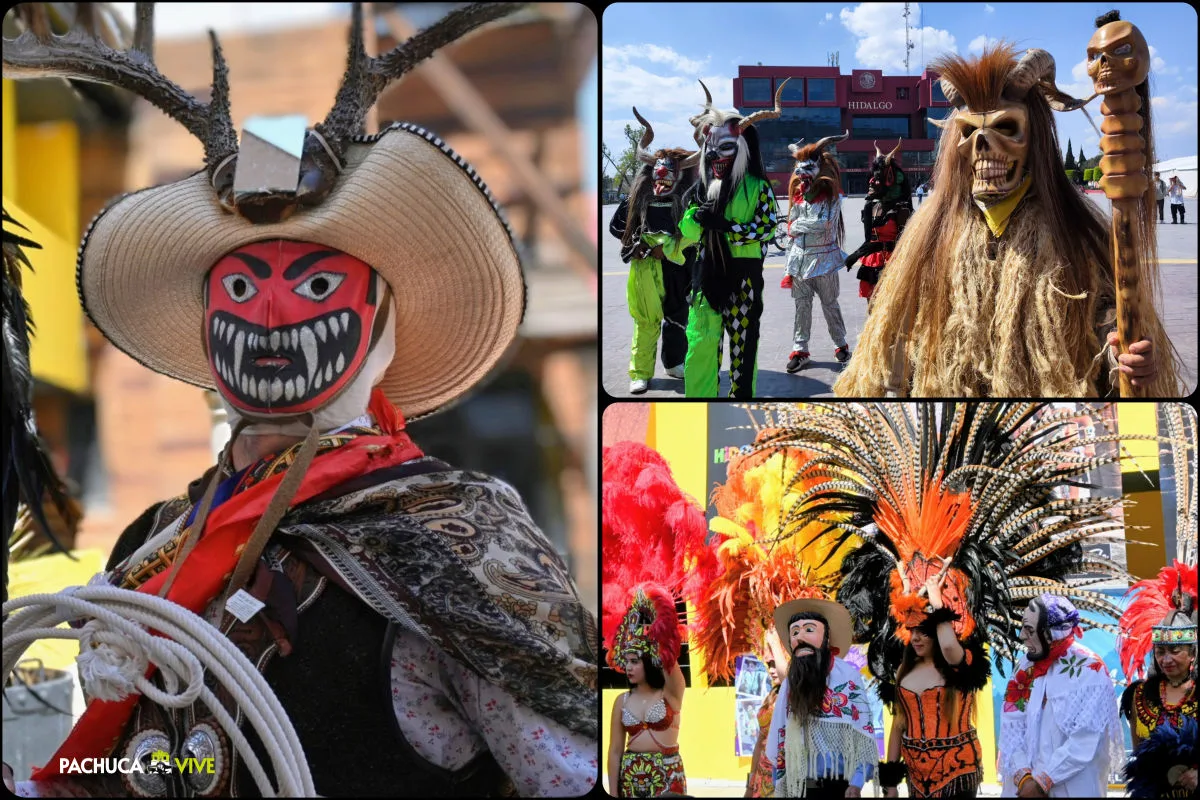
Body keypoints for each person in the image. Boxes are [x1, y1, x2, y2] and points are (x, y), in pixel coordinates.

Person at [2, 5, 597, 797]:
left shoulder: (457, 538)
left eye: (318, 286)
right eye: (241, 289)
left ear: (384, 327)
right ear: (207, 325)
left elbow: (576, 775)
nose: (273, 317)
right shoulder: (153, 547)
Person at [834, 42, 1181, 396]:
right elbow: (895, 337)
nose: (984, 146)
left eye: (1006, 126)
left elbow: (1105, 313)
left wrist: (1122, 351)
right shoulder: (929, 235)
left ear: (1035, 139)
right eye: (970, 132)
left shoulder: (1071, 233)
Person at [679, 80, 782, 398]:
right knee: (699, 347)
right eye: (710, 148)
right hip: (705, 276)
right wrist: (696, 220)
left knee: (743, 350)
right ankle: (698, 402)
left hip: (744, 281)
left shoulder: (757, 187)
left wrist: (726, 227)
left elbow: (767, 228)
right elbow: (687, 231)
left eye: (725, 147)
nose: (714, 155)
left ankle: (741, 398)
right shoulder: (700, 189)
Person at [997, 595, 1124, 798]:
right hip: (1025, 787)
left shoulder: (1090, 668)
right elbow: (1011, 725)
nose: (1021, 636)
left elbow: (1085, 739)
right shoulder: (1024, 667)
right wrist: (1024, 777)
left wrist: (1043, 781)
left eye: (1029, 629)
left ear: (1050, 634)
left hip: (1072, 787)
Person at [610, 108, 700, 394]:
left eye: (669, 175)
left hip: (678, 267)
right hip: (645, 268)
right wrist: (636, 247)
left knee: (678, 317)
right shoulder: (637, 198)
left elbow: (696, 231)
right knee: (646, 320)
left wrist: (670, 248)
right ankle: (640, 372)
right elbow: (618, 228)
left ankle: (674, 363)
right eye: (658, 175)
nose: (662, 181)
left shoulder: (690, 196)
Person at [880, 576, 985, 798]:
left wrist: (937, 601)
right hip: (916, 776)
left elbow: (948, 644)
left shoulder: (960, 660)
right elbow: (898, 726)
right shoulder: (904, 669)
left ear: (938, 629)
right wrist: (890, 783)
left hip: (958, 771)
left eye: (923, 631)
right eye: (912, 631)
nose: (916, 638)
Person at [764, 599, 878, 798]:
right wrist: (779, 782)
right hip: (797, 786)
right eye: (795, 632)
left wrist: (857, 781)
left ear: (826, 638)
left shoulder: (848, 676)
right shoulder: (791, 682)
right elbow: (780, 735)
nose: (800, 638)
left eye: (809, 629)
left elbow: (863, 731)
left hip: (838, 786)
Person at [1117, 560, 1198, 798]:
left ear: (1192, 653)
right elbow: (1140, 754)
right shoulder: (1140, 696)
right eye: (1161, 652)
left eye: (1175, 650)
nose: (1167, 659)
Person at [780, 132, 852, 372]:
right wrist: (790, 261)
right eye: (799, 169)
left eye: (808, 168)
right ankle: (800, 349)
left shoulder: (832, 199)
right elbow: (791, 227)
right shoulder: (798, 199)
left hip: (825, 261)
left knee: (830, 304)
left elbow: (823, 225)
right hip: (800, 262)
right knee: (801, 306)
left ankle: (841, 345)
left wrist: (797, 227)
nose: (801, 174)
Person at [607, 587, 688, 798]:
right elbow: (615, 750)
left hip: (668, 778)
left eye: (635, 662)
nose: (628, 668)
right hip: (630, 780)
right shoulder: (622, 701)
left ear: (649, 663)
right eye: (626, 662)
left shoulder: (670, 693)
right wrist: (613, 793)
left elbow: (669, 658)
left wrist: (660, 627)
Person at [844, 139, 913, 306]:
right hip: (872, 262)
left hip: (894, 263)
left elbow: (904, 245)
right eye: (871, 178)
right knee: (872, 307)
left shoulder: (901, 210)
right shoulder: (870, 207)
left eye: (876, 178)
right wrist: (858, 254)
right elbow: (869, 240)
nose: (871, 182)